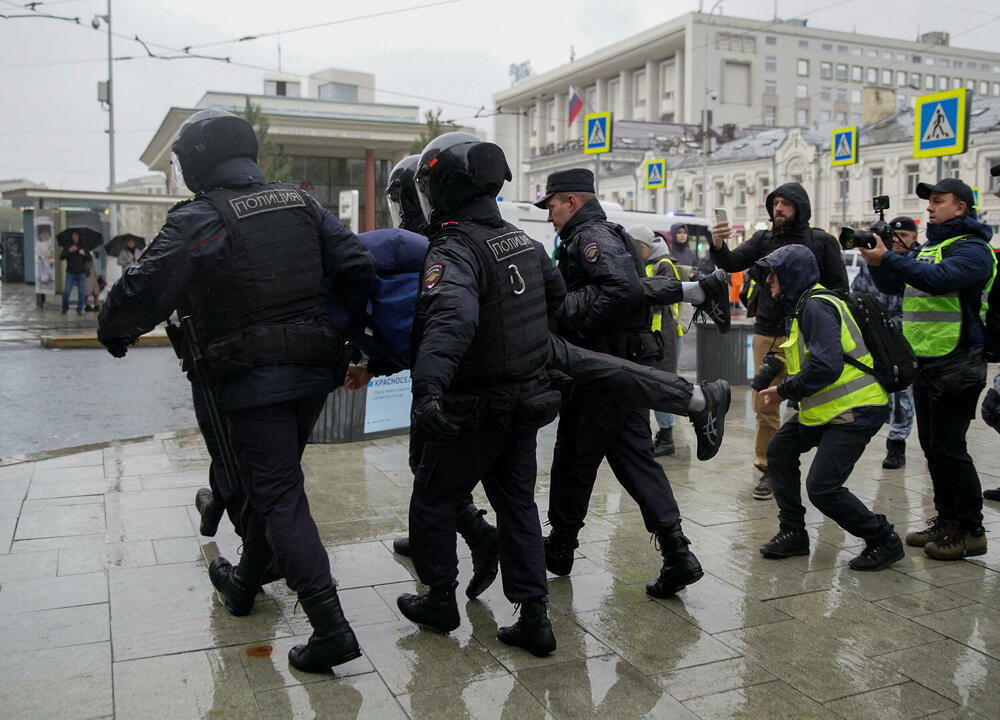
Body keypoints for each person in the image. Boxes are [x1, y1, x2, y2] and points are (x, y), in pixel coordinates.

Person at [97, 108, 377, 672]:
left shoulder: (202, 218)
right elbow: (357, 265)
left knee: (275, 494)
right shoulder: (302, 203)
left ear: (200, 161)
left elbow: (142, 287)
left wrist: (114, 330)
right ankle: (245, 582)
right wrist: (337, 335)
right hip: (311, 374)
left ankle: (331, 627)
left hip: (250, 380)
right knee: (270, 485)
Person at [396, 132, 561, 657]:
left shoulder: (454, 249)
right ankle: (533, 615)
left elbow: (452, 318)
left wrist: (428, 391)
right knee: (518, 507)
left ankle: (440, 600)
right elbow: (557, 308)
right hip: (525, 403)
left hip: (473, 406)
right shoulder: (525, 242)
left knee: (432, 501)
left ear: (443, 188)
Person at [537, 168, 730, 601]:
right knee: (634, 460)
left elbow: (620, 290)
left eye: (550, 205)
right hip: (622, 364)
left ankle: (561, 547)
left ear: (570, 201)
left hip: (602, 368)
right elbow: (633, 289)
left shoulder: (591, 237)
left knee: (574, 457)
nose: (548, 215)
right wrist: (687, 291)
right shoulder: (604, 234)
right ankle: (678, 552)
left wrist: (570, 316)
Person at [380, 154, 501, 601]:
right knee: (427, 464)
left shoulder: (437, 241)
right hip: (442, 371)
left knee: (432, 467)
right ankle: (440, 535)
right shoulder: (434, 238)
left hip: (450, 377)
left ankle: (476, 540)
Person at [860, 177, 996, 560]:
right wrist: (879, 255)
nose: (930, 207)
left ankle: (972, 530)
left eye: (939, 201)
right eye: (930, 201)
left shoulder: (974, 250)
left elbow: (939, 282)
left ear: (961, 208)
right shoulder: (930, 249)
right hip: (927, 360)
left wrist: (891, 258)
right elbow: (892, 286)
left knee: (951, 448)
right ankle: (948, 519)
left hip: (960, 362)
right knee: (933, 447)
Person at [755, 245, 903, 571]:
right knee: (779, 450)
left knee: (822, 488)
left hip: (856, 408)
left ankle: (883, 539)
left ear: (792, 275)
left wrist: (783, 390)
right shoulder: (805, 305)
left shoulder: (816, 307)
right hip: (828, 408)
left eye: (774, 273)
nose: (768, 280)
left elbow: (825, 366)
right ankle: (793, 532)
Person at [711, 182, 847, 501]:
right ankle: (769, 467)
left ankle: (828, 470)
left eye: (786, 203)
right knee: (765, 405)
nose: (779, 209)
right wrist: (717, 244)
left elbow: (841, 291)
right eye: (775, 203)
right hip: (769, 331)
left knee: (820, 401)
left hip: (811, 332)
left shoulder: (822, 242)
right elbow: (731, 263)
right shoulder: (763, 239)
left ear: (801, 206)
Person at [850, 216, 920, 469]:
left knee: (908, 395)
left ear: (914, 236)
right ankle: (893, 441)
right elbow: (857, 293)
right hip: (881, 340)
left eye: (905, 235)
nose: (899, 240)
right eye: (893, 235)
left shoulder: (919, 263)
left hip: (915, 339)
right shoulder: (874, 263)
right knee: (892, 392)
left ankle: (900, 443)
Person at [629, 224, 682, 457]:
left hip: (664, 337)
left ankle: (667, 436)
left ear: (644, 247)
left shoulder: (664, 265)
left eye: (633, 247)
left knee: (662, 385)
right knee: (646, 385)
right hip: (647, 336)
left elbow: (663, 295)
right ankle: (653, 434)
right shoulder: (642, 264)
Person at [60, 231, 90, 315]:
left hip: (81, 272)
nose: (75, 237)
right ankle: (65, 308)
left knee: (81, 292)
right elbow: (61, 257)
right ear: (72, 236)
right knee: (66, 291)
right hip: (70, 272)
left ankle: (79, 309)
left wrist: (83, 254)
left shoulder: (83, 245)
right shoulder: (68, 245)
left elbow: (89, 258)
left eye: (76, 235)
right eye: (73, 235)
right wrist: (69, 251)